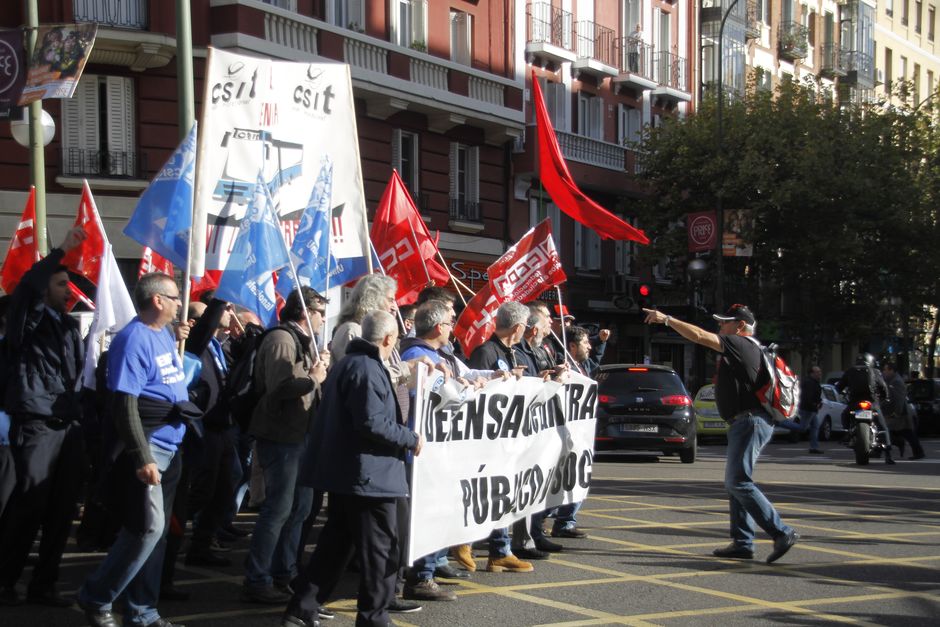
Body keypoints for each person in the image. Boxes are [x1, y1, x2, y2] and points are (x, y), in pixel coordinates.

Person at [281, 310, 424, 627]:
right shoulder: (367, 368)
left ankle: (301, 610)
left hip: (353, 474)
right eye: (396, 338)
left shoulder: (350, 363)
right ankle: (374, 618)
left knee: (334, 549)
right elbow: (371, 422)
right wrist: (409, 438)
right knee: (380, 553)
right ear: (388, 338)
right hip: (370, 477)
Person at [78, 272, 197, 627]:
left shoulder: (161, 334)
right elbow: (124, 403)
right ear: (158, 300)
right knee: (146, 528)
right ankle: (96, 596)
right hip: (151, 445)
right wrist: (142, 456)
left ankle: (142, 609)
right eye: (175, 298)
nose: (180, 304)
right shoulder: (132, 339)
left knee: (157, 533)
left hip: (172, 446)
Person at [643, 304, 799, 564]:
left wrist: (667, 319)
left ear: (739, 326)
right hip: (747, 421)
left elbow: (700, 337)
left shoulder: (741, 344)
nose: (720, 327)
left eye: (724, 323)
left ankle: (781, 532)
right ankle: (742, 542)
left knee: (738, 482)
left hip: (750, 421)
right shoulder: (746, 348)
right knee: (737, 482)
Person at [0, 227, 87, 608]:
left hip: (68, 426)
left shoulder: (68, 327)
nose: (69, 290)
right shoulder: (28, 323)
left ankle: (44, 583)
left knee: (62, 509)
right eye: (61, 283)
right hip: (37, 426)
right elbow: (29, 288)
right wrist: (61, 251)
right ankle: (5, 581)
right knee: (28, 507)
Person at [242, 287, 329, 604]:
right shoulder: (281, 339)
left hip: (300, 435)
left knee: (301, 508)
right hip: (282, 437)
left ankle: (285, 571)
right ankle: (258, 578)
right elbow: (279, 387)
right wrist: (314, 377)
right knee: (278, 509)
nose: (323, 320)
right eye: (320, 313)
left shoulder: (303, 342)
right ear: (306, 313)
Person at [467, 301, 535, 574]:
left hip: (508, 439)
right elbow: (479, 394)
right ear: (518, 327)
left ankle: (500, 551)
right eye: (524, 327)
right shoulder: (486, 352)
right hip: (488, 440)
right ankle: (467, 543)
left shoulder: (512, 351)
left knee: (503, 496)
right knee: (485, 496)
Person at [837, 353, 894, 465]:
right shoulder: (875, 371)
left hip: (855, 403)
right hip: (872, 403)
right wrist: (885, 397)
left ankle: (847, 434)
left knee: (844, 415)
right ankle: (888, 454)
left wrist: (841, 393)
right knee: (883, 427)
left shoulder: (850, 371)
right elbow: (883, 387)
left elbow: (839, 387)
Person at [883, 362, 925, 460]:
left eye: (886, 370)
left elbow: (899, 399)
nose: (884, 372)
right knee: (901, 433)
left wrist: (896, 413)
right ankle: (913, 450)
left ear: (891, 370)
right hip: (898, 413)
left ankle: (917, 452)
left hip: (901, 414)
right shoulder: (891, 380)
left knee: (907, 433)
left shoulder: (896, 381)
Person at [800, 366, 824, 454]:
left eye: (820, 372)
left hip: (812, 409)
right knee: (802, 428)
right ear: (812, 373)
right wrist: (815, 404)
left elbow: (816, 396)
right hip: (808, 409)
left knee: (815, 427)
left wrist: (819, 402)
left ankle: (814, 447)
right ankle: (782, 423)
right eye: (817, 372)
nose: (820, 374)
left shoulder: (815, 382)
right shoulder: (809, 383)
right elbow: (807, 397)